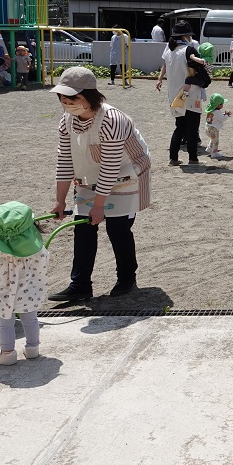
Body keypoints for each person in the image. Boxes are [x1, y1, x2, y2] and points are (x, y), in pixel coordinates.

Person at [48, 66, 151, 301]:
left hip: (126, 173)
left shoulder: (112, 119)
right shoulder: (66, 121)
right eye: (63, 97)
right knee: (83, 228)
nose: (67, 102)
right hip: (90, 177)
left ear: (90, 96)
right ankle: (80, 284)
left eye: (73, 97)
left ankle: (127, 278)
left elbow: (111, 166)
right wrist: (60, 200)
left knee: (118, 228)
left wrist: (99, 205)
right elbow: (64, 159)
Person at [0, 202, 50, 366]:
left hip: (3, 295)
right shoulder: (38, 249)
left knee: (5, 324)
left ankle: (7, 353)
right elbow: (43, 266)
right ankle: (32, 349)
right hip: (30, 291)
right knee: (31, 320)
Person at [155, 20, 203, 166]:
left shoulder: (170, 51)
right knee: (192, 128)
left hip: (175, 94)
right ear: (186, 36)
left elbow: (165, 66)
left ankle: (173, 158)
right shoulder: (188, 50)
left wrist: (159, 78)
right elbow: (198, 67)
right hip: (190, 93)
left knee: (180, 127)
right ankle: (193, 159)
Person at [205, 93, 230, 160]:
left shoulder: (210, 110)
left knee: (213, 139)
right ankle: (214, 153)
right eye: (221, 104)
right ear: (219, 105)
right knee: (216, 141)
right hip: (214, 129)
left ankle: (209, 149)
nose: (222, 105)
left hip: (208, 128)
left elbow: (216, 117)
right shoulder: (217, 112)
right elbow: (222, 119)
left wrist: (223, 114)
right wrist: (227, 115)